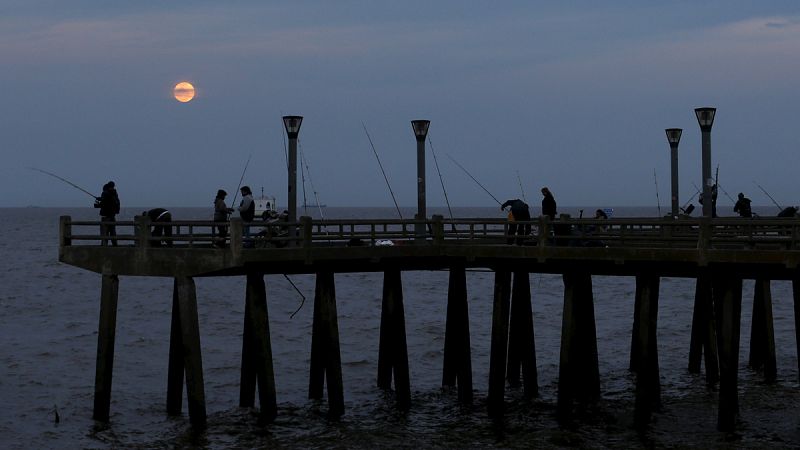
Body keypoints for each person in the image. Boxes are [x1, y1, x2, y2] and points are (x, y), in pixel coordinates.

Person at [95, 181, 120, 246]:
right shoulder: (114, 193)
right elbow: (109, 201)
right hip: (112, 215)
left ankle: (104, 245)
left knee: (104, 232)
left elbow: (104, 203)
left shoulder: (105, 193)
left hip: (106, 216)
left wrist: (97, 205)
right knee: (113, 231)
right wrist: (100, 199)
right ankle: (115, 245)